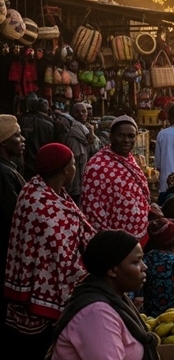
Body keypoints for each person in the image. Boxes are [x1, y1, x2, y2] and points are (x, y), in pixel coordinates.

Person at [4, 143, 95, 356]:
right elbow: (60, 257)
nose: (75, 168)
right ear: (65, 170)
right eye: (73, 164)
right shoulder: (41, 204)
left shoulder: (41, 190)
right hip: (43, 296)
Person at [48, 229, 159, 360]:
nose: (144, 267)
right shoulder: (96, 314)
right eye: (136, 262)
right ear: (112, 270)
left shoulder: (114, 299)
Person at [82, 116, 151, 241]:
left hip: (139, 237)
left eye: (131, 136)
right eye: (121, 136)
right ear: (111, 137)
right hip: (114, 242)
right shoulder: (97, 166)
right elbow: (92, 209)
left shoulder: (130, 160)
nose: (126, 140)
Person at [0, 115, 26, 323]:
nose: (23, 139)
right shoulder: (4, 174)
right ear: (4, 141)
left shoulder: (9, 168)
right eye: (17, 135)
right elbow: (13, 215)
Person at [18, 94, 54, 182]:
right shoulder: (49, 125)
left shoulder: (24, 119)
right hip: (42, 163)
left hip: (27, 162)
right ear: (46, 107)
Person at [62, 103, 92, 205]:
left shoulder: (84, 130)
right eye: (77, 112)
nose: (81, 114)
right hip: (75, 187)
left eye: (84, 111)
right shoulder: (74, 132)